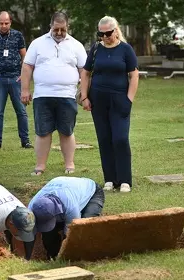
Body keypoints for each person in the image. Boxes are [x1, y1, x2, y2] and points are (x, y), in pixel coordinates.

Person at [20, 12, 87, 176]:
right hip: (42, 95)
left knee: (67, 131)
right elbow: (27, 66)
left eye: (62, 30)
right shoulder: (37, 43)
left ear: (67, 27)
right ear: (51, 26)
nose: (59, 33)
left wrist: (84, 94)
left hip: (68, 95)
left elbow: (84, 71)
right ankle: (40, 166)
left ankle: (69, 164)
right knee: (43, 132)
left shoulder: (76, 45)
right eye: (56, 29)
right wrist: (25, 89)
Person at [79, 16, 139, 193]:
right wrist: (84, 97)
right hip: (98, 100)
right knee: (104, 139)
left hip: (120, 99)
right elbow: (85, 73)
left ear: (115, 30)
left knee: (120, 139)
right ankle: (110, 179)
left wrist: (129, 99)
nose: (105, 36)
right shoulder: (96, 49)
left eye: (108, 33)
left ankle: (125, 179)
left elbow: (134, 75)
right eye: (101, 33)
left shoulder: (126, 49)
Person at [0, 11, 33, 149]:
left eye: (6, 23)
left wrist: (23, 74)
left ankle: (25, 141)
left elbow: (25, 56)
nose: (4, 26)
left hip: (16, 79)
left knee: (21, 111)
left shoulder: (17, 36)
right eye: (1, 23)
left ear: (10, 23)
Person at [28, 176, 104, 260]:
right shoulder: (32, 206)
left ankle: (87, 257)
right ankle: (52, 257)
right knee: (48, 235)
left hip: (92, 192)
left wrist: (67, 257)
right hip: (66, 187)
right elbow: (30, 232)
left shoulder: (70, 206)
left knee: (85, 225)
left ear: (56, 212)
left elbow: (72, 233)